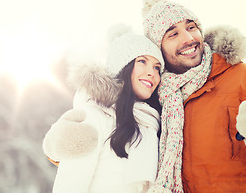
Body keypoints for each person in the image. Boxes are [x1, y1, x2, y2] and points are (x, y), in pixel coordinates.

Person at [141, 0, 246, 193]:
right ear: (158, 47)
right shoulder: (157, 98)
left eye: (191, 27)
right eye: (173, 34)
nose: (189, 38)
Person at [42, 27, 164, 193]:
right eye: (142, 61)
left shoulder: (152, 125)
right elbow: (69, 186)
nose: (152, 73)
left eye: (157, 67)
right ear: (123, 66)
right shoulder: (93, 117)